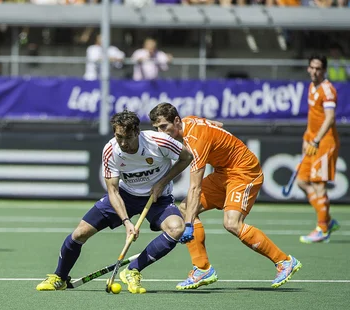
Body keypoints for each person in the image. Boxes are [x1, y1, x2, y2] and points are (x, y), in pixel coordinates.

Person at [36, 110, 193, 294]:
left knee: (176, 228)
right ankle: (59, 277)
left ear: (137, 132)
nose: (124, 143)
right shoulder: (111, 150)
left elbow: (187, 157)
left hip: (158, 198)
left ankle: (133, 270)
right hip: (125, 196)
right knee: (80, 233)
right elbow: (113, 190)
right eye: (119, 137)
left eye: (128, 137)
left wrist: (162, 182)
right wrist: (127, 223)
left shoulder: (158, 142)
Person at [149, 103, 302, 290]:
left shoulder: (195, 140)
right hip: (224, 173)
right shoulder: (189, 122)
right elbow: (218, 124)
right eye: (156, 128)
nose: (160, 132)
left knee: (231, 223)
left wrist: (188, 225)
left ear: (177, 121)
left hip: (244, 172)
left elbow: (195, 187)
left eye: (164, 127)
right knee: (185, 208)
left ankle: (284, 261)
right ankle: (202, 268)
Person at [297, 55, 341, 243]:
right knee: (301, 181)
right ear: (308, 68)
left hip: (325, 143)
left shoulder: (327, 90)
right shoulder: (310, 87)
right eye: (312, 68)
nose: (314, 71)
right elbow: (312, 118)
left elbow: (329, 118)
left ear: (324, 70)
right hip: (312, 141)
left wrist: (315, 140)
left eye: (318, 69)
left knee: (318, 184)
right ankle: (328, 221)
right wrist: (306, 138)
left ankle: (322, 228)